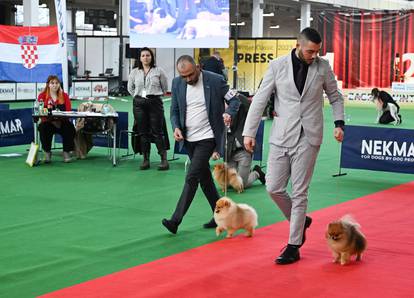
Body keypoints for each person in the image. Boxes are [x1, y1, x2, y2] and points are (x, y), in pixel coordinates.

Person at [243, 27, 345, 265]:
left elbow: (335, 96)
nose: (314, 55)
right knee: (273, 187)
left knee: (300, 192)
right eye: (310, 51)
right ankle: (300, 221)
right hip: (281, 135)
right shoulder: (277, 66)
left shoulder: (322, 67)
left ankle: (293, 245)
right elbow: (260, 99)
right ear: (298, 45)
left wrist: (339, 123)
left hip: (309, 137)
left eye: (318, 51)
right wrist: (249, 131)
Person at [162, 55, 240, 234]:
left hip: (208, 137)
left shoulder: (216, 80)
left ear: (197, 67)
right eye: (184, 76)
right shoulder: (177, 83)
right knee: (205, 180)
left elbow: (234, 100)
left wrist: (229, 112)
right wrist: (175, 127)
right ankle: (222, 215)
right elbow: (174, 110)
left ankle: (175, 220)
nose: (188, 79)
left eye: (190, 74)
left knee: (192, 177)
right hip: (189, 139)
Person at [127, 47, 170, 170]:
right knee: (143, 132)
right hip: (139, 104)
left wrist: (154, 95)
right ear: (140, 58)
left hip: (155, 103)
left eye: (148, 55)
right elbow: (130, 88)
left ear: (152, 57)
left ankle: (164, 160)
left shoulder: (159, 71)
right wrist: (138, 96)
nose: (145, 58)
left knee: (158, 132)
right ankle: (145, 159)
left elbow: (165, 87)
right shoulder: (134, 72)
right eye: (143, 56)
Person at [212, 92, 266, 188]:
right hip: (229, 153)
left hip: (244, 151)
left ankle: (257, 173)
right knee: (228, 183)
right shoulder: (215, 113)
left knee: (241, 184)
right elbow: (216, 134)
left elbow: (252, 107)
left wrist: (238, 95)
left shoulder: (239, 108)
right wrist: (215, 150)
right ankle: (245, 172)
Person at [37, 75, 76, 163]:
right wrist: (51, 120)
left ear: (59, 84)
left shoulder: (65, 96)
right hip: (48, 122)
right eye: (52, 83)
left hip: (62, 122)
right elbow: (40, 113)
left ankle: (66, 152)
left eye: (57, 83)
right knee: (43, 128)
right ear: (48, 85)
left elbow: (68, 111)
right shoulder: (42, 96)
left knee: (69, 128)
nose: (55, 85)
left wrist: (60, 119)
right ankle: (47, 152)